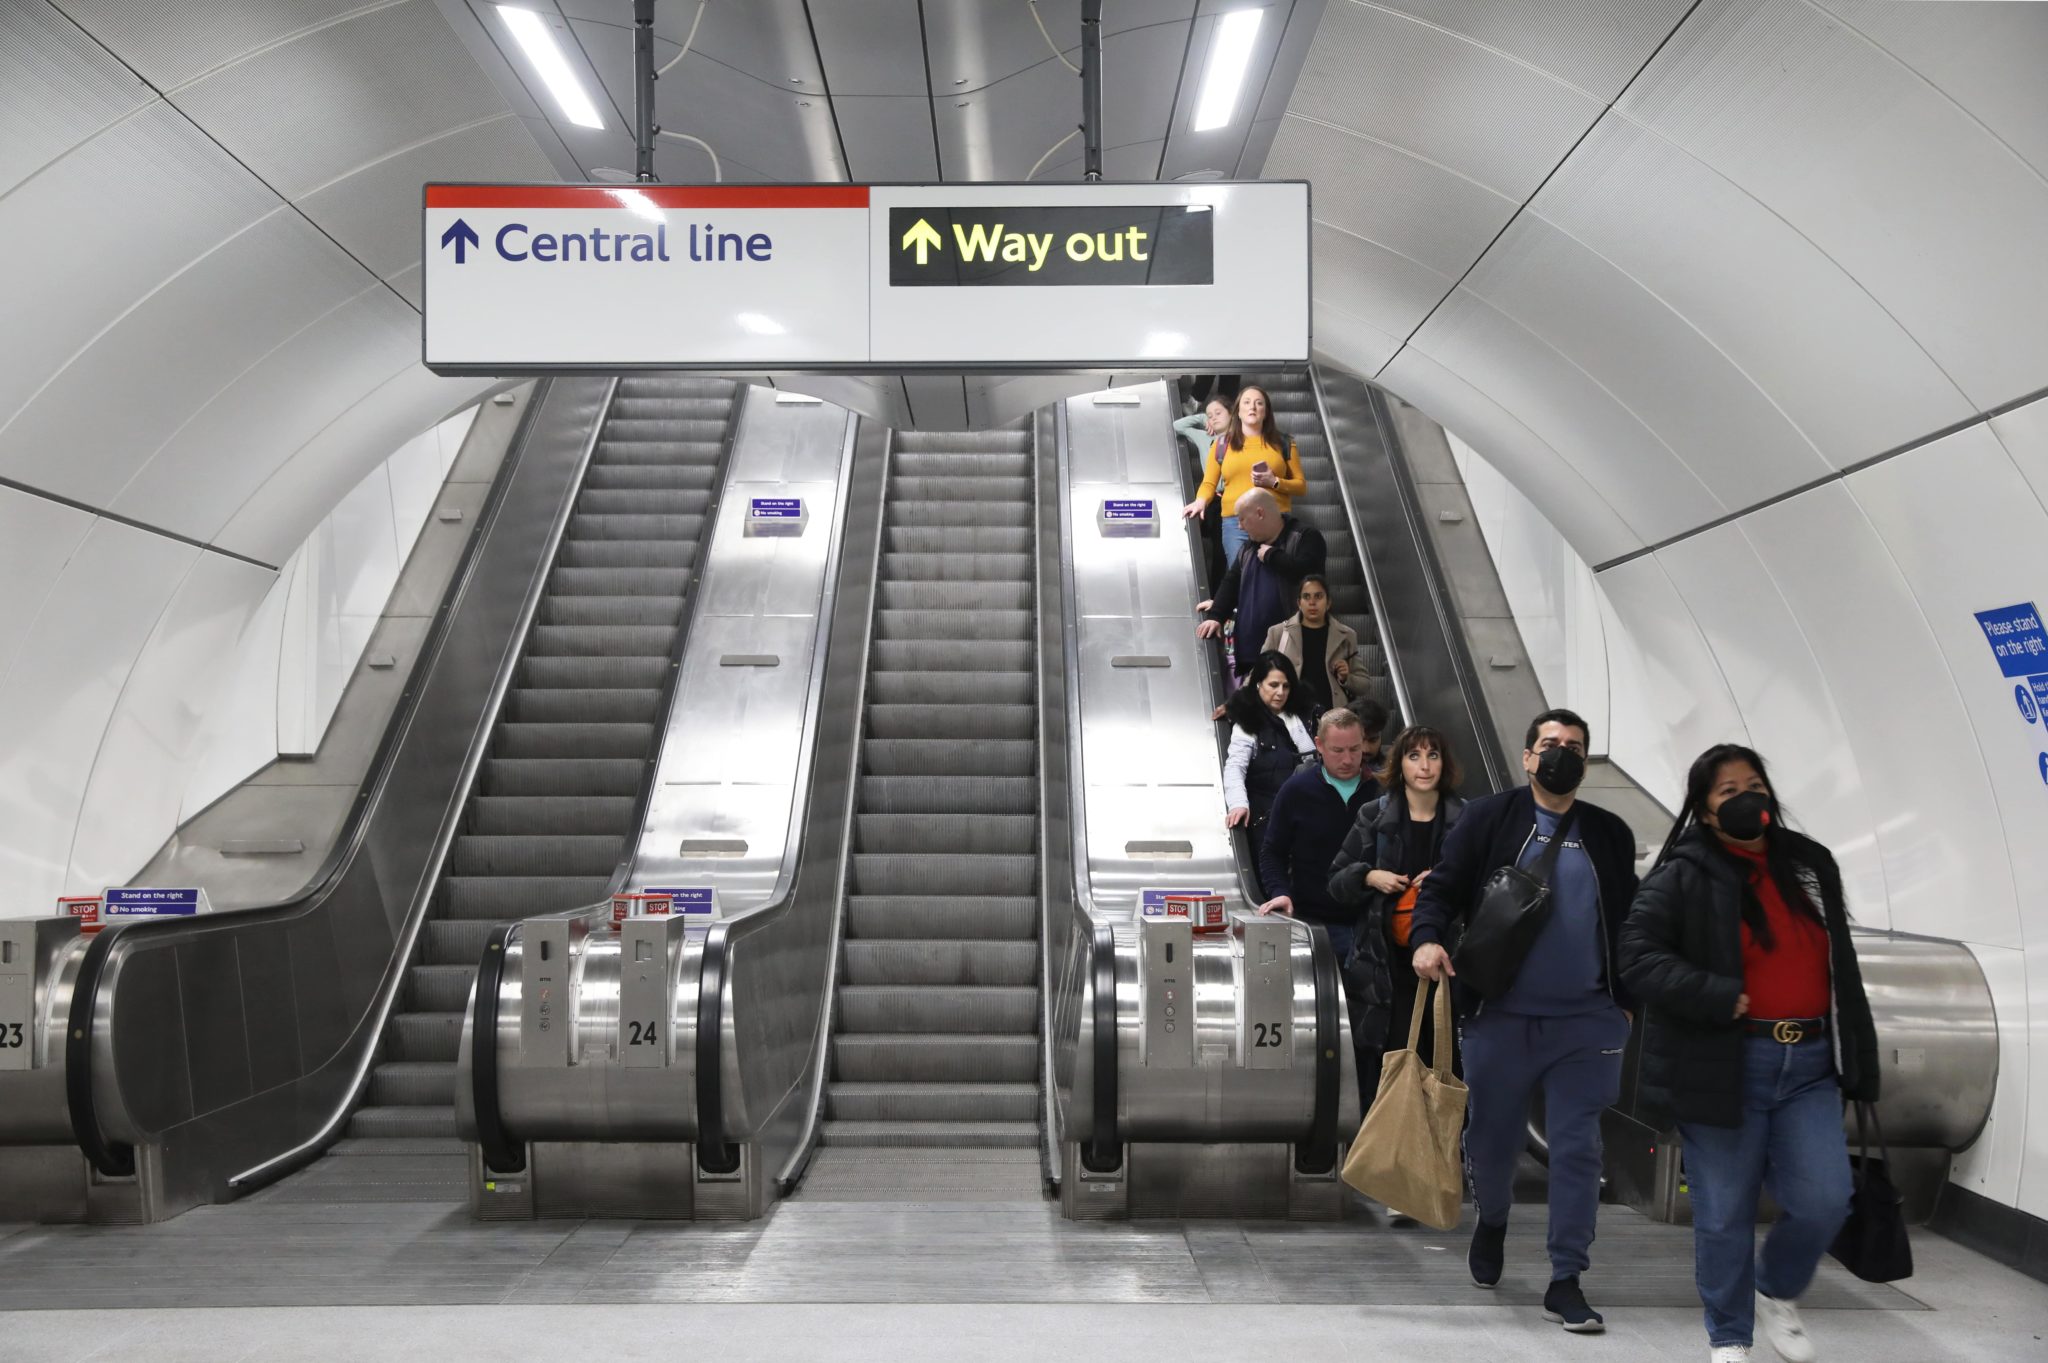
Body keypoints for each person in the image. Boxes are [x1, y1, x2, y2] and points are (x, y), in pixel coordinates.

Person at [1619, 744, 1879, 1363]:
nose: (1745, 798)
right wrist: (1713, 993)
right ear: (1706, 812)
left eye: (1752, 784)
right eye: (1727, 791)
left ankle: (1776, 1287)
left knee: (1825, 1199)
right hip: (1725, 1064)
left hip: (1811, 1062)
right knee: (1722, 1214)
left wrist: (1858, 1054)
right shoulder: (1682, 871)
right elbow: (1637, 956)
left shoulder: (1810, 865)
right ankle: (1730, 1336)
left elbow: (1838, 962)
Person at [1408, 708, 1639, 1334]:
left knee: (1575, 1147)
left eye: (1575, 747)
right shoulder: (1489, 820)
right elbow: (1441, 890)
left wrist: (1627, 1000)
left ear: (1584, 763)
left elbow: (1631, 920)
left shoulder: (1610, 834)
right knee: (1491, 1140)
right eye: (1550, 744)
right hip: (1500, 1016)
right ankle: (1494, 1219)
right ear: (1529, 756)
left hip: (1586, 1023)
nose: (1562, 753)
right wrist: (1426, 940)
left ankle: (1566, 1277)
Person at [1326, 724, 1465, 1101]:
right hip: (1383, 971)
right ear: (1399, 763)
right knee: (1385, 1079)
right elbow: (1336, 882)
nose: (1424, 766)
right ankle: (1384, 1159)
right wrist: (1369, 875)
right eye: (1414, 756)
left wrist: (1445, 877)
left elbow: (1485, 886)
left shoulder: (1465, 819)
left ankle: (1437, 1159)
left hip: (1445, 968)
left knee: (1441, 1074)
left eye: (1432, 755)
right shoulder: (1375, 815)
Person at [1255, 707, 1383, 1094]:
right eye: (1338, 750)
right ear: (1319, 747)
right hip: (1316, 927)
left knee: (1369, 1028)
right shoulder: (1298, 791)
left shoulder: (1381, 794)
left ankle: (1365, 1113)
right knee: (1319, 1023)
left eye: (1355, 750)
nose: (1348, 760)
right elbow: (1272, 851)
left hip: (1369, 927)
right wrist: (1281, 892)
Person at [1196, 488, 1327, 682]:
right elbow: (1231, 582)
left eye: (1242, 519)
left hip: (1293, 654)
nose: (1239, 526)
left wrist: (1273, 556)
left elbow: (1308, 575)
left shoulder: (1304, 537)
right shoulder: (1250, 547)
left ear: (1260, 513)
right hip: (1251, 654)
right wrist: (1216, 615)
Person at [1181, 385, 1305, 564]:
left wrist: (1275, 482)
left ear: (1266, 411)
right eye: (1246, 403)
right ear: (1238, 412)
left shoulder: (1284, 443)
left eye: (1258, 403)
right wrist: (1200, 501)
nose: (1252, 407)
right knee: (1240, 578)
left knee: (1274, 580)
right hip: (1235, 523)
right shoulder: (1221, 444)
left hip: (1275, 523)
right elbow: (1209, 482)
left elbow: (1301, 486)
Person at [1221, 652, 1317, 840]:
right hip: (1266, 820)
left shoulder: (1305, 716)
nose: (1280, 692)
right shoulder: (1248, 721)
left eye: (1286, 686)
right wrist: (1238, 803)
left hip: (1305, 816)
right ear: (1258, 684)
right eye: (1273, 685)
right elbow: (1235, 765)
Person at [1261, 574, 1377, 718]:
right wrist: (1235, 703)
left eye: (1318, 596)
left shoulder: (1346, 636)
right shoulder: (1278, 633)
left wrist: (1346, 677)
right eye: (1306, 597)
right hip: (1291, 716)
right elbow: (1258, 674)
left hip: (1332, 718)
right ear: (1299, 603)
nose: (1312, 602)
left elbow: (1364, 685)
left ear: (1328, 602)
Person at [1174, 394, 1231, 466]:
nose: (1214, 418)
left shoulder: (1242, 436)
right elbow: (1177, 425)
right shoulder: (1203, 437)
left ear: (1231, 414)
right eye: (1210, 416)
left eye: (1218, 413)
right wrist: (1203, 417)